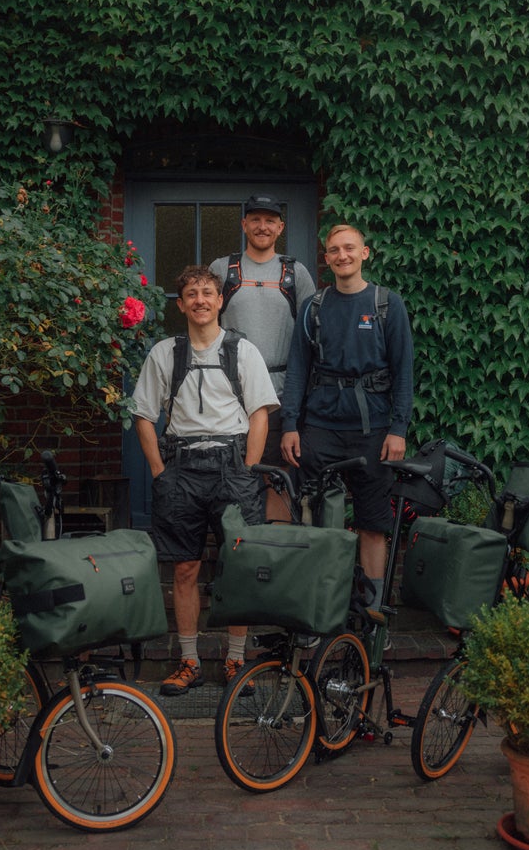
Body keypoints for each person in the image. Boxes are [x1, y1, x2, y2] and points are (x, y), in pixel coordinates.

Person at [133, 265, 279, 696]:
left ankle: (237, 659)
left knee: (238, 566)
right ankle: (189, 661)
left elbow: (259, 416)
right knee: (184, 566)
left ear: (220, 302)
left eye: (208, 293)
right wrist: (160, 472)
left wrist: (248, 470)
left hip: (233, 466)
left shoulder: (242, 351)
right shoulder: (164, 353)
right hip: (181, 468)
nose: (200, 300)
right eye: (192, 294)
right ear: (181, 305)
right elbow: (143, 414)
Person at [280, 224, 414, 610]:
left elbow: (403, 371)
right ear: (326, 259)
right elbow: (297, 370)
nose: (342, 255)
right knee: (315, 522)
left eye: (349, 248)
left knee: (373, 525)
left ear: (365, 253)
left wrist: (399, 428)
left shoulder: (386, 304)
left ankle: (373, 615)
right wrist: (290, 425)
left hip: (373, 432)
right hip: (319, 430)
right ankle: (316, 609)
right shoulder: (315, 307)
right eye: (334, 250)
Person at [209, 194, 316, 520]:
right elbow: (203, 325)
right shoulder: (222, 269)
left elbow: (311, 336)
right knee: (228, 474)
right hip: (229, 393)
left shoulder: (295, 273)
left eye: (270, 220)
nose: (262, 226)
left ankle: (271, 554)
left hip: (280, 393)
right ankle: (232, 551)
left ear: (280, 227)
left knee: (276, 476)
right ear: (244, 225)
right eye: (255, 219)